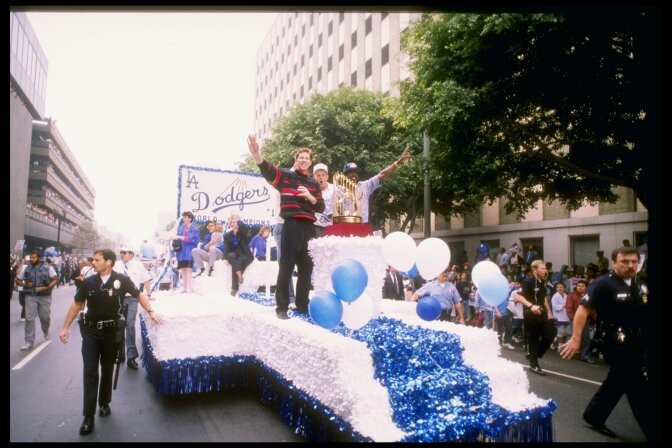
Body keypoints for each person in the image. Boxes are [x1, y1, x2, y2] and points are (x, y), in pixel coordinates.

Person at [58, 249, 164, 436]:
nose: (93, 262)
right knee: (90, 371)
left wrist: (151, 311)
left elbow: (138, 294)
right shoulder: (89, 281)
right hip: (90, 332)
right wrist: (65, 327)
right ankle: (88, 416)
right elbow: (76, 303)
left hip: (111, 333)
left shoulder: (121, 280)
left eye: (97, 260)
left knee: (107, 368)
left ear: (108, 262)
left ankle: (104, 403)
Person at [560, 247, 659, 441]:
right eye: (625, 261)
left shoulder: (641, 283)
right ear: (614, 263)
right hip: (615, 342)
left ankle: (594, 414)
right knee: (636, 384)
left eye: (634, 261)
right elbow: (582, 311)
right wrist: (576, 339)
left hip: (638, 340)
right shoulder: (602, 284)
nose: (630, 265)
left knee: (617, 380)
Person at [247, 134, 325, 319]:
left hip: (309, 228)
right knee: (286, 266)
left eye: (307, 158)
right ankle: (281, 308)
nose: (304, 160)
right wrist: (257, 154)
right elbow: (268, 170)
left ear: (310, 162)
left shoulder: (314, 183)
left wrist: (310, 196)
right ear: (296, 160)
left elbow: (320, 207)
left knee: (306, 268)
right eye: (301, 158)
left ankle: (302, 306)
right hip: (291, 225)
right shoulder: (287, 176)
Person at [340, 146, 411, 225]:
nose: (353, 174)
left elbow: (382, 174)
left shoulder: (364, 186)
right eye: (350, 172)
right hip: (345, 225)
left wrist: (398, 162)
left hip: (363, 225)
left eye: (355, 172)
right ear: (345, 175)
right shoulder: (338, 190)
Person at [113, 245, 152, 369]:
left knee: (130, 325)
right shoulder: (116, 265)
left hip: (132, 298)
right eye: (121, 252)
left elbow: (146, 280)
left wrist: (149, 295)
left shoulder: (138, 265)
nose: (122, 254)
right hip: (118, 299)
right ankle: (120, 354)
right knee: (119, 326)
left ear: (131, 254)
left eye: (124, 252)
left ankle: (131, 357)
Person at [514, 259, 555, 375]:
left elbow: (543, 299)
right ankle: (534, 365)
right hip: (531, 314)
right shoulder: (528, 281)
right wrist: (531, 306)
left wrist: (549, 313)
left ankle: (533, 355)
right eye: (542, 269)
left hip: (541, 313)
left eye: (545, 268)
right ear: (534, 270)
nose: (545, 270)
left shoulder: (542, 282)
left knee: (549, 336)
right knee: (534, 340)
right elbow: (517, 296)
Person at [15, 250, 58, 350]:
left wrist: (46, 288)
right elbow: (17, 280)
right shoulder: (26, 268)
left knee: (44, 317)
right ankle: (29, 341)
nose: (31, 259)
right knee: (29, 318)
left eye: (33, 257)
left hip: (45, 296)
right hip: (30, 295)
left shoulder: (48, 268)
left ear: (39, 258)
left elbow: (55, 279)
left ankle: (46, 331)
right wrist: (25, 284)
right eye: (30, 257)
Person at [221, 213, 254, 296]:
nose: (232, 224)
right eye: (231, 222)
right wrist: (224, 258)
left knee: (236, 265)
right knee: (232, 257)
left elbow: (242, 226)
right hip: (234, 254)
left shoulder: (242, 232)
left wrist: (237, 219)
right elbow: (226, 248)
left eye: (234, 222)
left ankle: (234, 288)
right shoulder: (227, 235)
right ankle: (239, 277)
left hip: (245, 254)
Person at [171, 211, 199, 293]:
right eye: (183, 217)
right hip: (181, 252)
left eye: (185, 217)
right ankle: (184, 287)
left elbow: (191, 239)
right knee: (182, 269)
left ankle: (189, 288)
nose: (184, 219)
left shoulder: (194, 228)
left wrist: (179, 237)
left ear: (190, 219)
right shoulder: (181, 227)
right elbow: (177, 237)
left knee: (188, 269)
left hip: (189, 251)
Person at [312, 163, 334, 237]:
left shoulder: (335, 189)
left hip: (332, 227)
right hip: (316, 227)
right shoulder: (310, 190)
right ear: (314, 177)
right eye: (318, 175)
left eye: (323, 175)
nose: (320, 177)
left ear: (327, 177)